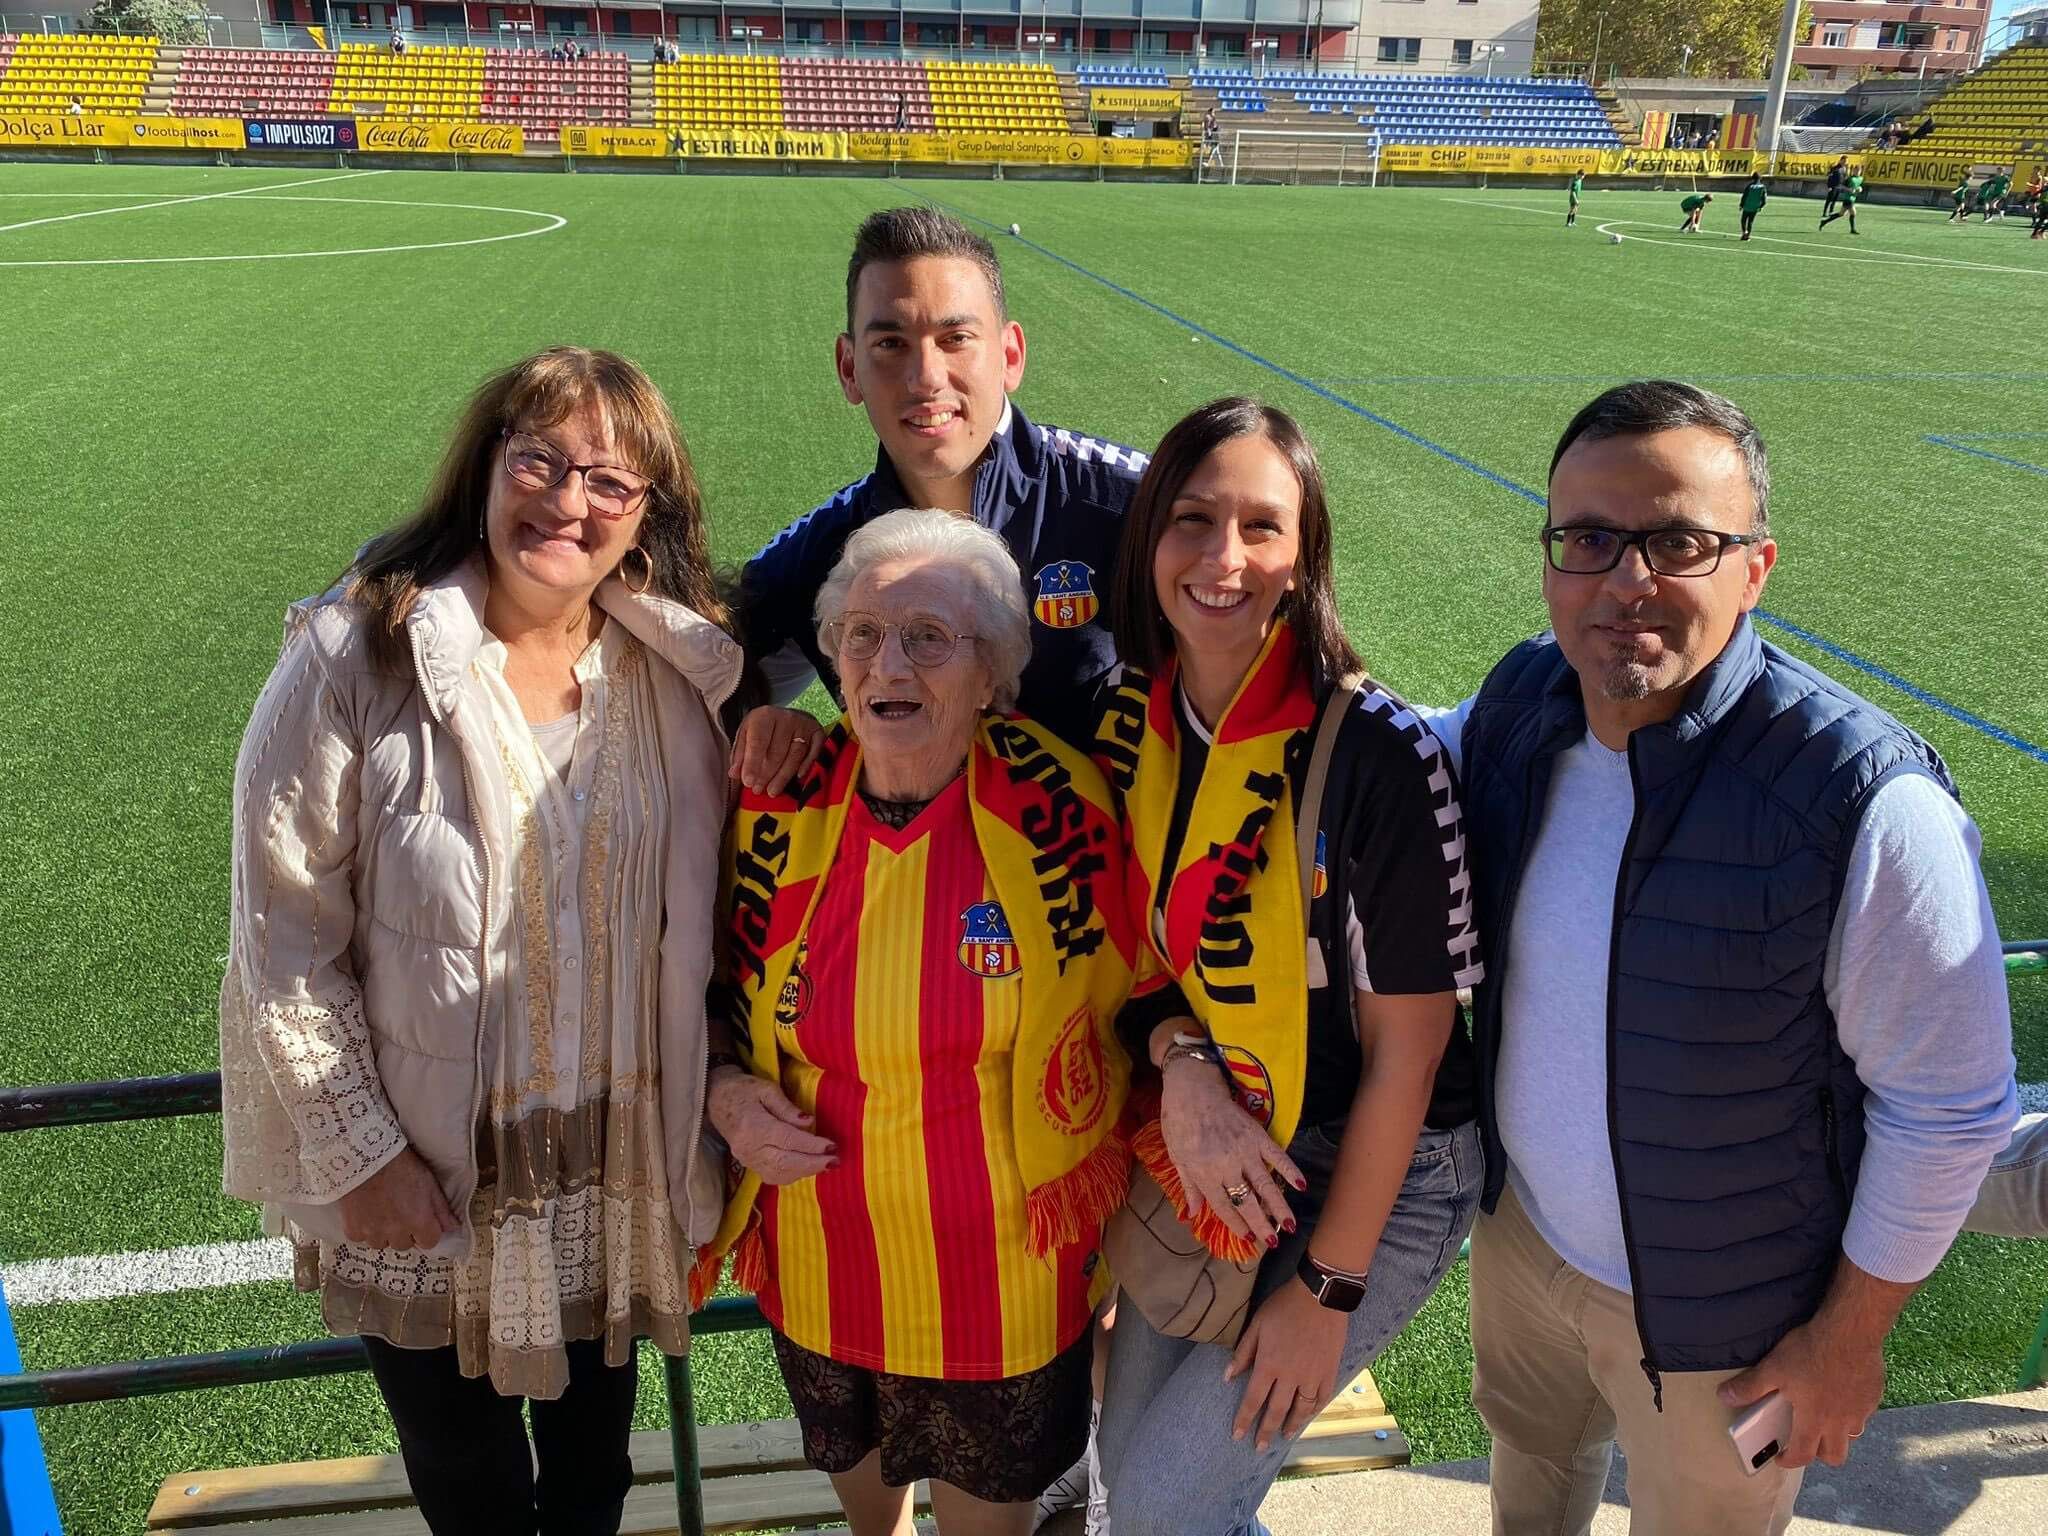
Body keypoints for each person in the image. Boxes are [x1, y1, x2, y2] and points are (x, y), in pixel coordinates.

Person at [1428, 380, 2017, 1536]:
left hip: (1731, 1328)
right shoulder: (1522, 700)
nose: (1624, 581)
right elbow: (1383, 767)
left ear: (1754, 567)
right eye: (1587, 540)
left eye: (1678, 542)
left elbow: (1945, 1109)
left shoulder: (1862, 800)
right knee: (1526, 1485)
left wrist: (1843, 1345)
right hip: (1523, 1246)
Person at [219, 349, 745, 1535]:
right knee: (476, 1498)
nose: (566, 501)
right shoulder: (355, 652)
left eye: (608, 480)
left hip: (614, 1171)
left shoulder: (675, 668)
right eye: (541, 461)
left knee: (596, 1484)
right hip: (435, 1183)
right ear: (486, 469)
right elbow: (281, 937)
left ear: (644, 517)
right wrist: (359, 1154)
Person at [700, 508, 1139, 1536]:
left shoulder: (1070, 809)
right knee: (869, 1524)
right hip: (820, 1264)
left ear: (991, 673)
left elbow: (1144, 995)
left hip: (1003, 1287)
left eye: (928, 639)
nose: (887, 662)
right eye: (861, 635)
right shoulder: (773, 796)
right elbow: (687, 988)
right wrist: (722, 1092)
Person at [1091, 399, 1484, 1536]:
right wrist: (1183, 1069)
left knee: (1163, 1511)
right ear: (1147, 539)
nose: (1222, 560)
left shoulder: (1377, 757)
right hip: (1227, 1142)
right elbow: (1142, 962)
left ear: (1303, 556)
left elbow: (1407, 1062)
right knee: (1135, 1473)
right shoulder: (1139, 718)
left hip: (1386, 1169)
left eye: (1261, 528)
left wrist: (1324, 1293)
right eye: (1192, 520)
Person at [732, 206, 1148, 772]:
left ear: (1009, 355)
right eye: (891, 344)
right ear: (848, 368)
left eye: (955, 338)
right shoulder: (819, 554)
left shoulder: (1130, 506)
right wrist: (774, 728)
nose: (926, 377)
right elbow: (687, 680)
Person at [1820, 169, 1862, 233]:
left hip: (1853, 198)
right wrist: (1849, 189)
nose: (1857, 172)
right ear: (1853, 171)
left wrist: (1860, 189)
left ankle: (1824, 222)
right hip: (1848, 198)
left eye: (1858, 171)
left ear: (1860, 171)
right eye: (1856, 171)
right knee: (1853, 213)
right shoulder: (1850, 179)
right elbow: (1842, 186)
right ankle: (1852, 229)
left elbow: (1859, 186)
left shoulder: (1860, 178)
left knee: (1841, 214)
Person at [1738, 173, 1766, 241]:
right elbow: (1764, 199)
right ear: (1760, 178)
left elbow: (1744, 196)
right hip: (1755, 207)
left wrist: (1741, 205)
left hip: (1747, 206)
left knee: (1743, 220)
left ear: (1752, 178)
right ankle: (1748, 236)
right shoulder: (1762, 187)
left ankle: (1744, 232)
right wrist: (1761, 206)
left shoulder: (1749, 186)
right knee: (1750, 221)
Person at [1202, 106, 1223, 170]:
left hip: (1216, 138)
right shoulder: (1211, 120)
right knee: (1216, 151)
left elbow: (1212, 127)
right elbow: (1209, 127)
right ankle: (1221, 164)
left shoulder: (1213, 121)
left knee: (1214, 150)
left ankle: (1209, 163)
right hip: (1215, 137)